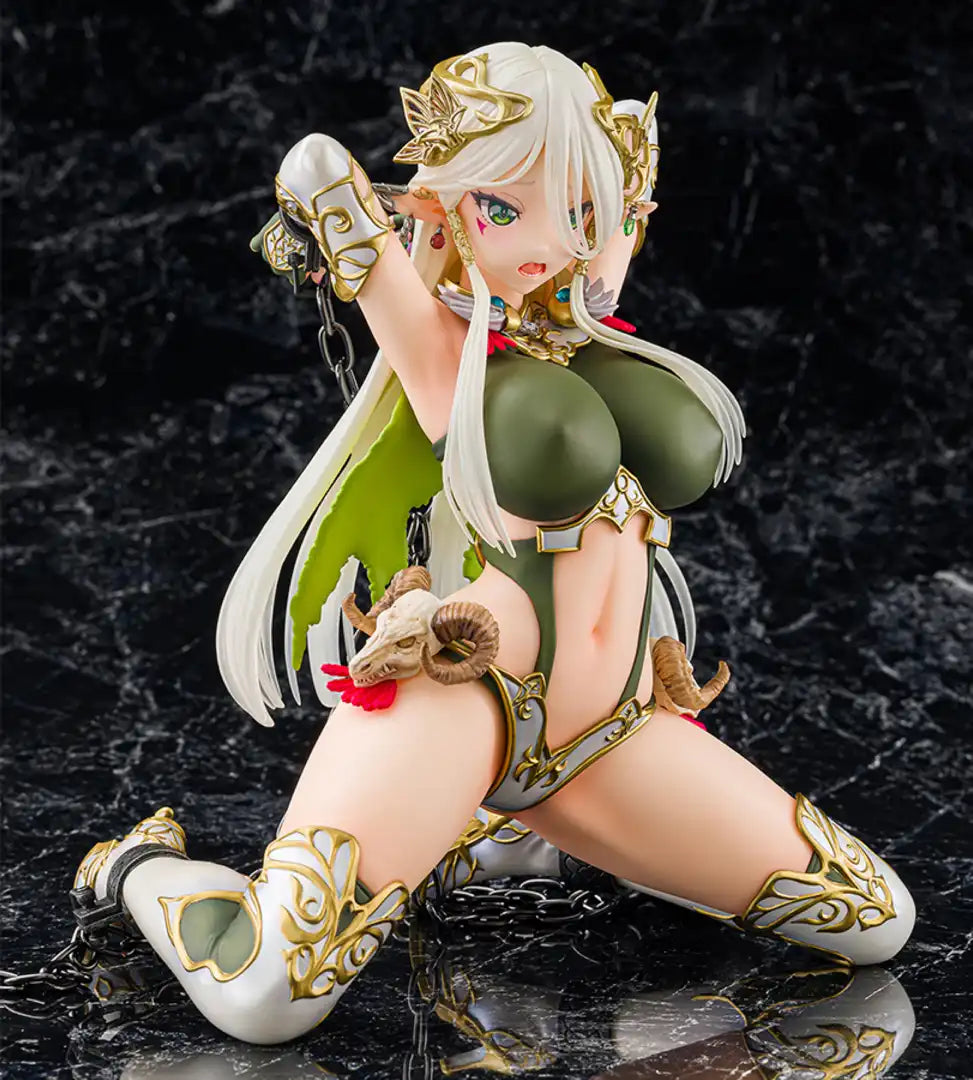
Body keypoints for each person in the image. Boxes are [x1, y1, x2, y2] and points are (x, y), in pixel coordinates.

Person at [71, 43, 915, 1046]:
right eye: (507, 210)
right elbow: (313, 169)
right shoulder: (446, 354)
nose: (557, 245)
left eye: (590, 212)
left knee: (871, 919)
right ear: (453, 212)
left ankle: (497, 836)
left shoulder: (607, 344)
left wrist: (579, 195)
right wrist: (386, 207)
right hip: (469, 697)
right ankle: (140, 868)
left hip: (613, 729)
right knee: (265, 995)